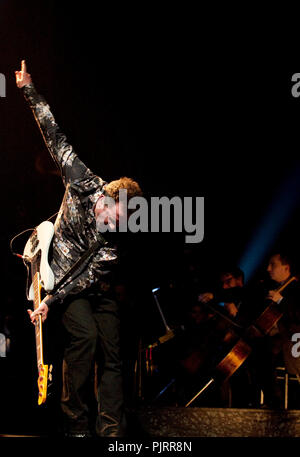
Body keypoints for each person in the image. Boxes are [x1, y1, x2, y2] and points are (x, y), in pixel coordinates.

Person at [15, 60, 142, 437]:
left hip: (86, 284)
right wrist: (27, 89)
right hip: (60, 274)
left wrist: (51, 302)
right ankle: (75, 425)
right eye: (113, 216)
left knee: (114, 353)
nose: (112, 226)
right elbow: (53, 134)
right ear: (105, 195)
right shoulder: (82, 180)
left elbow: (88, 276)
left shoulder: (113, 243)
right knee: (84, 336)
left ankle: (112, 431)